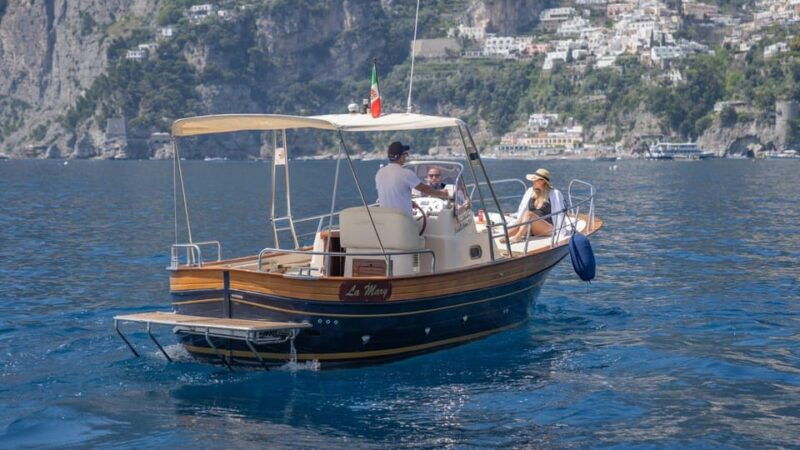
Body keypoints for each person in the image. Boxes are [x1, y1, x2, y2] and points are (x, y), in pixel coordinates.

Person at [375, 141, 449, 217]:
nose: (405, 157)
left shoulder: (379, 173)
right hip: (403, 222)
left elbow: (390, 194)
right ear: (401, 156)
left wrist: (408, 202)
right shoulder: (406, 174)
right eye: (405, 154)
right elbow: (425, 189)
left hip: (386, 220)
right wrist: (443, 194)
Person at [500, 168, 565, 244]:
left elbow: (560, 213)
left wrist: (562, 229)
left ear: (543, 181)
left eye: (535, 179)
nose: (533, 181)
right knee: (523, 218)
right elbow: (522, 209)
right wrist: (516, 217)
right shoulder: (531, 191)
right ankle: (505, 237)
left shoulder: (554, 193)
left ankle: (518, 236)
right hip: (532, 226)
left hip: (548, 228)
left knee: (529, 214)